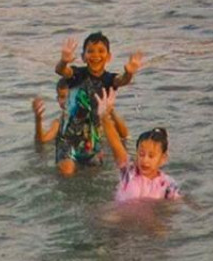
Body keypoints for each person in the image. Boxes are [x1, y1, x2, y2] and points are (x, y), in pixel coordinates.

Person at [29, 35, 142, 176]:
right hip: (68, 139)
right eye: (90, 51)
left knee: (93, 176)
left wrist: (129, 73)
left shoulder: (109, 79)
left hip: (93, 140)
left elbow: (122, 80)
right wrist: (64, 61)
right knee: (67, 171)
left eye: (101, 51)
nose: (96, 55)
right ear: (83, 56)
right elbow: (61, 71)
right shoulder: (77, 74)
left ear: (109, 57)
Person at [99, 89, 182, 202]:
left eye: (151, 156)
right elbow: (116, 144)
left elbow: (177, 205)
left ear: (163, 158)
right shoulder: (129, 172)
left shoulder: (167, 185)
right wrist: (104, 117)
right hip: (121, 217)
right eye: (141, 154)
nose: (145, 160)